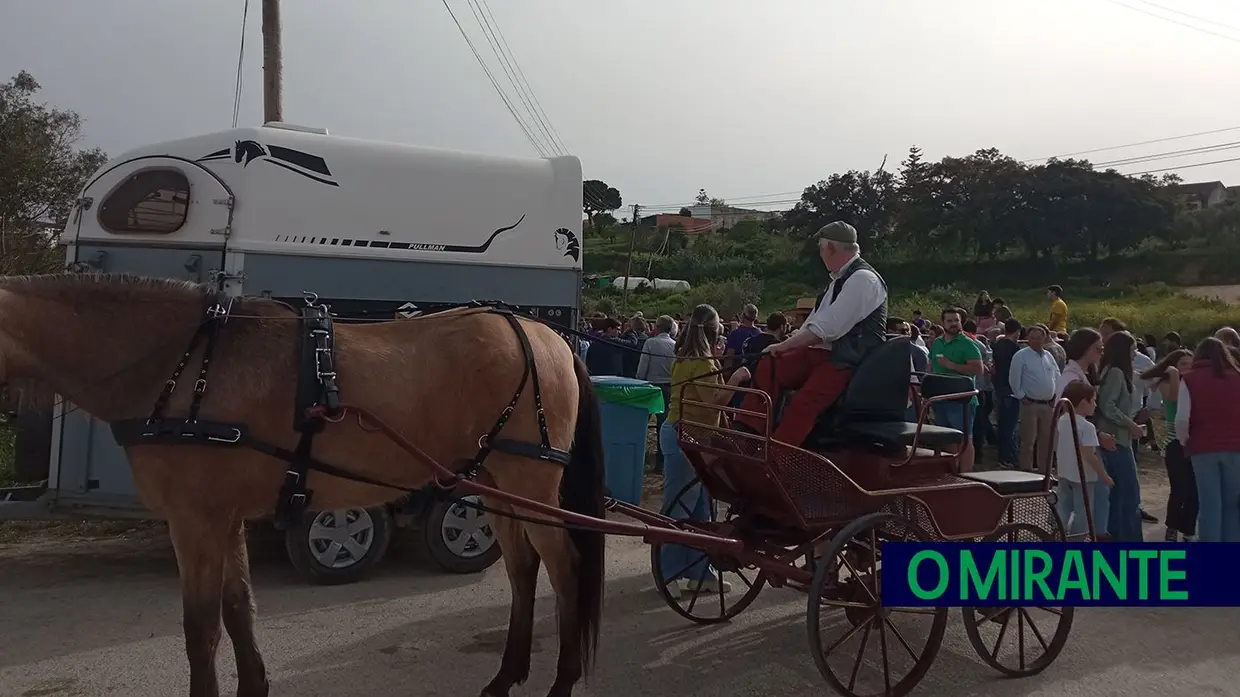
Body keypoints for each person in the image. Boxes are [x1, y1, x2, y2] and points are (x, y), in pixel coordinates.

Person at [735, 222, 887, 446]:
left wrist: (782, 346)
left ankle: (777, 460)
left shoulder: (863, 279)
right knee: (770, 365)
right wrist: (785, 346)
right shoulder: (837, 282)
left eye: (821, 248)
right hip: (822, 355)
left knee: (803, 404)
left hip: (847, 360)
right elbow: (812, 324)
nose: (820, 253)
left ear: (832, 249)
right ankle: (747, 432)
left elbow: (827, 328)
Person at [657, 304, 735, 597]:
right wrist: (737, 378)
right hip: (686, 437)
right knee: (681, 508)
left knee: (702, 508)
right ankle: (669, 572)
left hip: (688, 435)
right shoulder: (701, 361)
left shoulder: (687, 358)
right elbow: (712, 402)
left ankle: (701, 572)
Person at [1175, 337, 1240, 542]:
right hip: (1235, 447)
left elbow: (1182, 419)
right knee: (1231, 504)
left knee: (1210, 504)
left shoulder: (1190, 379)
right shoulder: (1237, 378)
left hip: (1202, 448)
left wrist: (1184, 441)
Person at [1141, 349, 1195, 542]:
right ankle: (1171, 527)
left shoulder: (1195, 382)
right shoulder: (1167, 381)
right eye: (1183, 364)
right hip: (1174, 442)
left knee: (1194, 490)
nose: (1188, 368)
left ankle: (1188, 529)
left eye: (1190, 364)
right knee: (1179, 488)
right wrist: (1173, 375)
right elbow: (1173, 399)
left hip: (1194, 441)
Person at [1095, 330, 1144, 542]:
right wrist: (1130, 424)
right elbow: (1108, 405)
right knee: (1129, 495)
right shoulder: (1115, 372)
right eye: (1133, 350)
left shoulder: (1111, 370)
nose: (1135, 354)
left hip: (1117, 439)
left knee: (1118, 495)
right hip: (1116, 440)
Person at [1054, 381, 1113, 539]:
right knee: (1083, 511)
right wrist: (1104, 476)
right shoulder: (1087, 427)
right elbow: (1089, 455)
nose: (1095, 404)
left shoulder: (1062, 420)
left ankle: (1056, 534)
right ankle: (1076, 540)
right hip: (1083, 477)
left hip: (1064, 471)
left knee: (1064, 507)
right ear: (1082, 402)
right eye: (1093, 400)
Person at [928, 308, 984, 472]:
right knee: (946, 438)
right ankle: (951, 471)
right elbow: (931, 366)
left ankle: (966, 475)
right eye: (950, 321)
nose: (953, 324)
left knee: (964, 440)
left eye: (956, 320)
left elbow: (978, 369)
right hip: (940, 399)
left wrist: (951, 365)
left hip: (962, 400)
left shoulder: (968, 343)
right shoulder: (937, 342)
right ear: (943, 323)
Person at [1008, 324, 1060, 473]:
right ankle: (1026, 470)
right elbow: (1014, 378)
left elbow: (1057, 375)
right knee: (1028, 440)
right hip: (1030, 403)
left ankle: (1045, 471)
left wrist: (1055, 395)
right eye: (1032, 338)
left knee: (1046, 440)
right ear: (1028, 339)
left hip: (1048, 404)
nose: (1036, 341)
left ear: (1045, 338)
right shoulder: (1021, 355)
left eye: (1039, 338)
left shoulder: (1048, 356)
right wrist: (1021, 396)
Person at [636, 315, 678, 471]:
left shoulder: (650, 343)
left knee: (642, 421)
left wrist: (639, 380)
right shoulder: (674, 345)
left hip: (651, 385)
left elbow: (643, 366)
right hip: (668, 386)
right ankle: (660, 461)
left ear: (657, 327)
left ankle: (638, 455)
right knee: (663, 423)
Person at [991, 319, 1023, 469]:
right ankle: (1009, 458)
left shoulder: (997, 346)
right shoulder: (1015, 349)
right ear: (1017, 332)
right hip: (1011, 390)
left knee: (1002, 423)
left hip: (998, 388)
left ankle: (1002, 457)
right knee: (1010, 426)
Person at [722, 303, 762, 376]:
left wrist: (726, 377)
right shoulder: (761, 334)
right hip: (756, 375)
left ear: (743, 315)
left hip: (739, 375)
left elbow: (729, 357)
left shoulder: (735, 334)